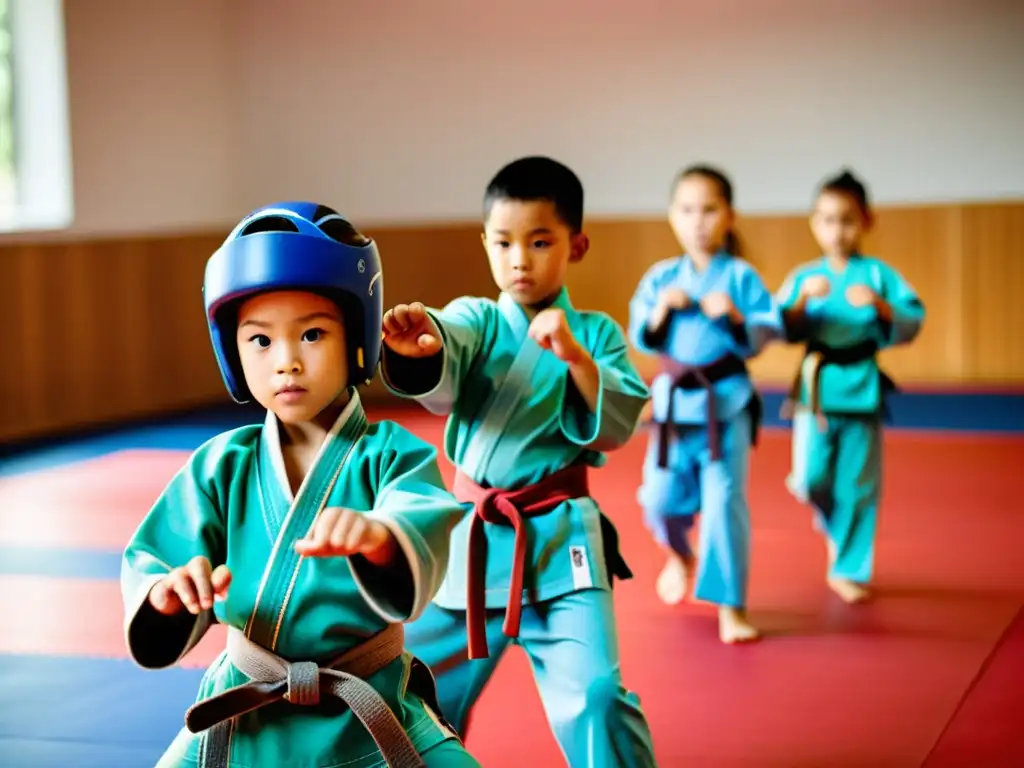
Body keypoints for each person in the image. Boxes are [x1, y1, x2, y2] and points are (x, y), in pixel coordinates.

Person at [120, 202, 481, 768]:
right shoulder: (221, 466)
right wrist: (168, 595)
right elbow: (156, 560)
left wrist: (381, 538)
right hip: (243, 714)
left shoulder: (392, 456)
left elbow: (422, 518)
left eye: (312, 334)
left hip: (369, 709)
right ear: (232, 353)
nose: (286, 362)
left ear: (358, 337)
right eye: (260, 341)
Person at [379, 157, 659, 767]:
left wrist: (577, 359)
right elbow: (446, 346)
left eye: (539, 242)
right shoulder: (477, 320)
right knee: (411, 696)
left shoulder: (598, 334)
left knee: (598, 693)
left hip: (561, 543)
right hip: (470, 544)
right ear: (484, 243)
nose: (519, 260)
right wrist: (422, 347)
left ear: (575, 246)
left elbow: (617, 424)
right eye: (503, 243)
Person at [628, 165, 783, 644]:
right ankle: (679, 554)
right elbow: (641, 335)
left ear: (729, 216)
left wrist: (734, 316)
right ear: (673, 216)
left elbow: (765, 331)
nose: (698, 220)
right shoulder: (661, 279)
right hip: (674, 407)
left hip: (726, 405)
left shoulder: (739, 277)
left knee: (724, 505)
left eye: (710, 209)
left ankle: (730, 605)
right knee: (659, 499)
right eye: (687, 209)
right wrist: (660, 312)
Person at [776, 170, 925, 604]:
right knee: (809, 479)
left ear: (866, 221)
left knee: (857, 487)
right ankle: (836, 527)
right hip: (817, 389)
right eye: (827, 220)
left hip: (861, 389)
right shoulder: (805, 277)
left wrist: (879, 305)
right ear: (813, 223)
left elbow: (911, 321)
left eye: (847, 220)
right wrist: (802, 303)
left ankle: (846, 568)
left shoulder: (878, 276)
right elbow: (778, 327)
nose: (837, 231)